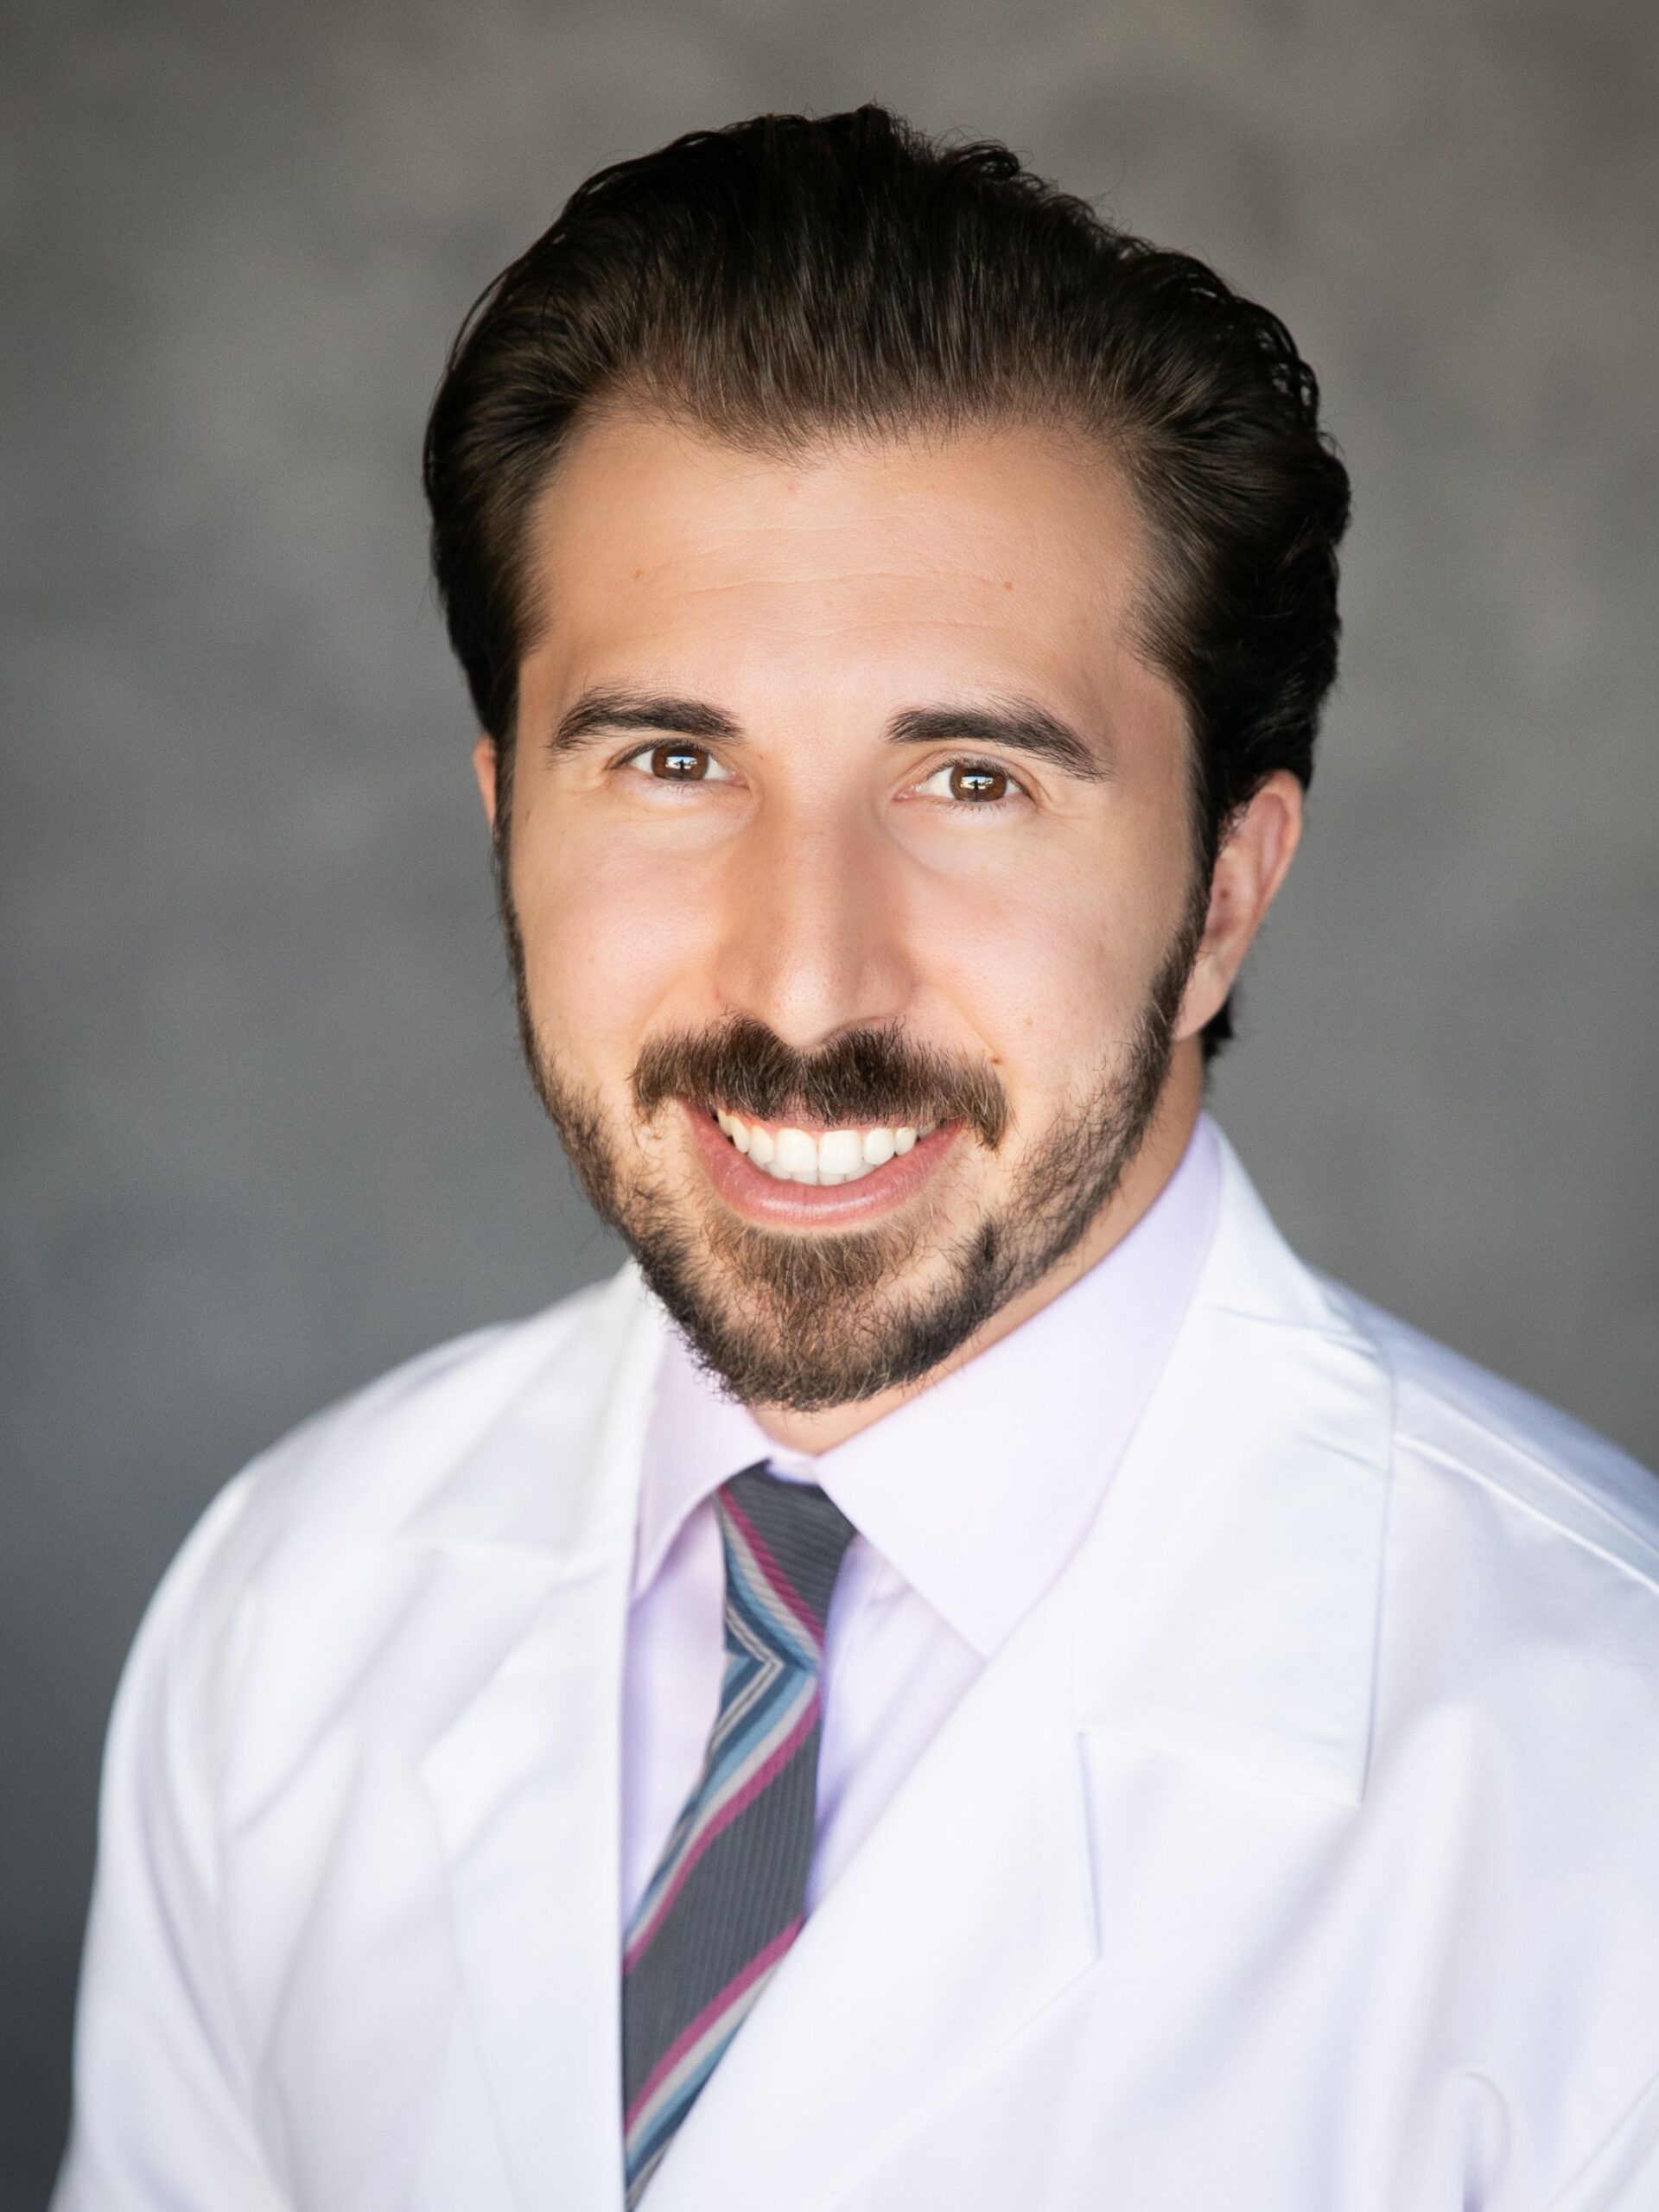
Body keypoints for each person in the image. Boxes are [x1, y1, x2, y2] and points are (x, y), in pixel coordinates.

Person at [53, 105, 1659, 2212]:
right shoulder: (288, 1601)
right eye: (670, 758)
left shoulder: (1606, 1783)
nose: (804, 979)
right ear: (504, 813)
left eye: (975, 776)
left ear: (1230, 890)